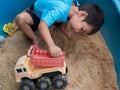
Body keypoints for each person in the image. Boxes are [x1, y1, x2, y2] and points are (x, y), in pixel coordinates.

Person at [15, 0, 104, 57]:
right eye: (82, 29)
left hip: (57, 17)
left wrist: (71, 28)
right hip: (37, 14)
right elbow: (42, 25)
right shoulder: (60, 10)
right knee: (20, 19)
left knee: (70, 26)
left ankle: (61, 26)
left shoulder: (75, 5)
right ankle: (34, 38)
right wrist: (51, 45)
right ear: (82, 14)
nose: (77, 31)